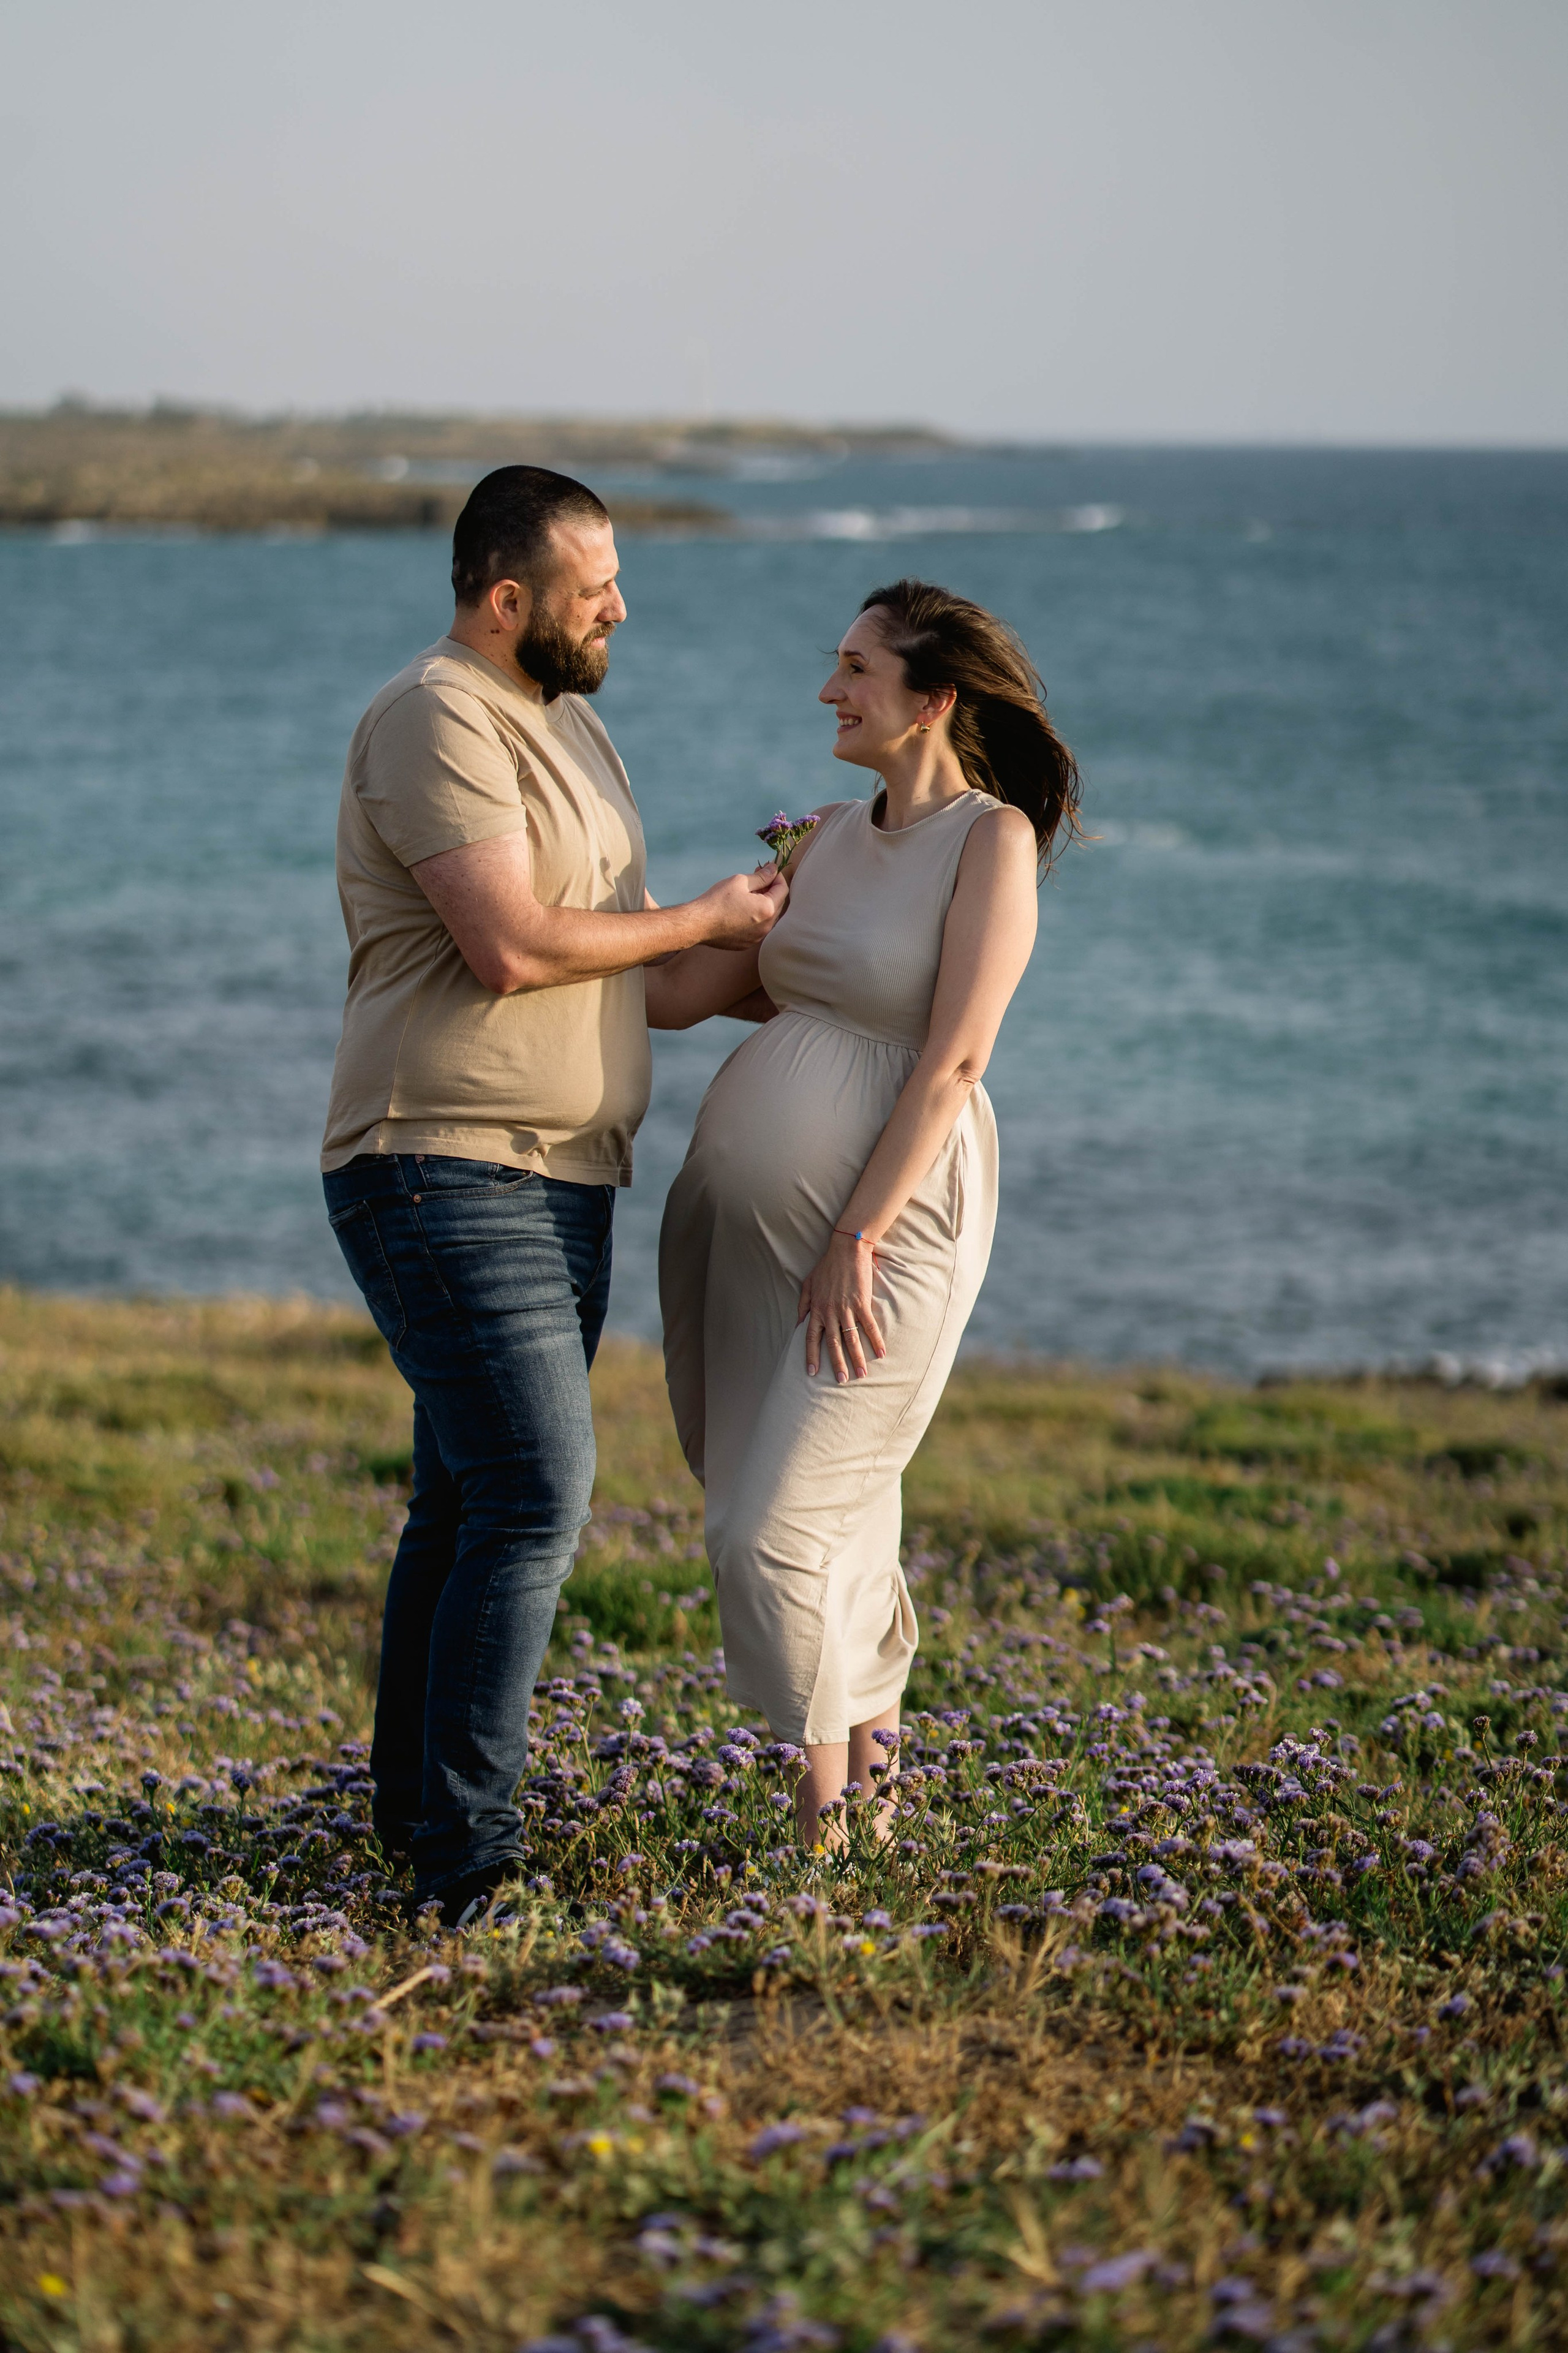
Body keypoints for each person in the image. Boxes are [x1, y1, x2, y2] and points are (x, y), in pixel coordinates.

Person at [322, 465, 785, 1927]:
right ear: (507, 598)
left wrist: (812, 948)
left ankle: (410, 1832)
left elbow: (641, 979)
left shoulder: (571, 727)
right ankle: (468, 1868)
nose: (621, 607)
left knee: (463, 1505)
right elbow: (514, 947)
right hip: (440, 1158)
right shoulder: (436, 716)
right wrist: (704, 911)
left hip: (563, 1175)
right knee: (534, 1491)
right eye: (597, 588)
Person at [659, 578, 1080, 1846]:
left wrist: (856, 1237)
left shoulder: (989, 841)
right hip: (751, 1240)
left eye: (854, 668)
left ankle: (823, 1829)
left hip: (885, 1229)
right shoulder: (821, 834)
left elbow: (952, 1059)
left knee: (765, 1532)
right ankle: (867, 1830)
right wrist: (537, 934)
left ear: (931, 697)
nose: (829, 689)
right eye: (833, 663)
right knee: (830, 1520)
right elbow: (689, 988)